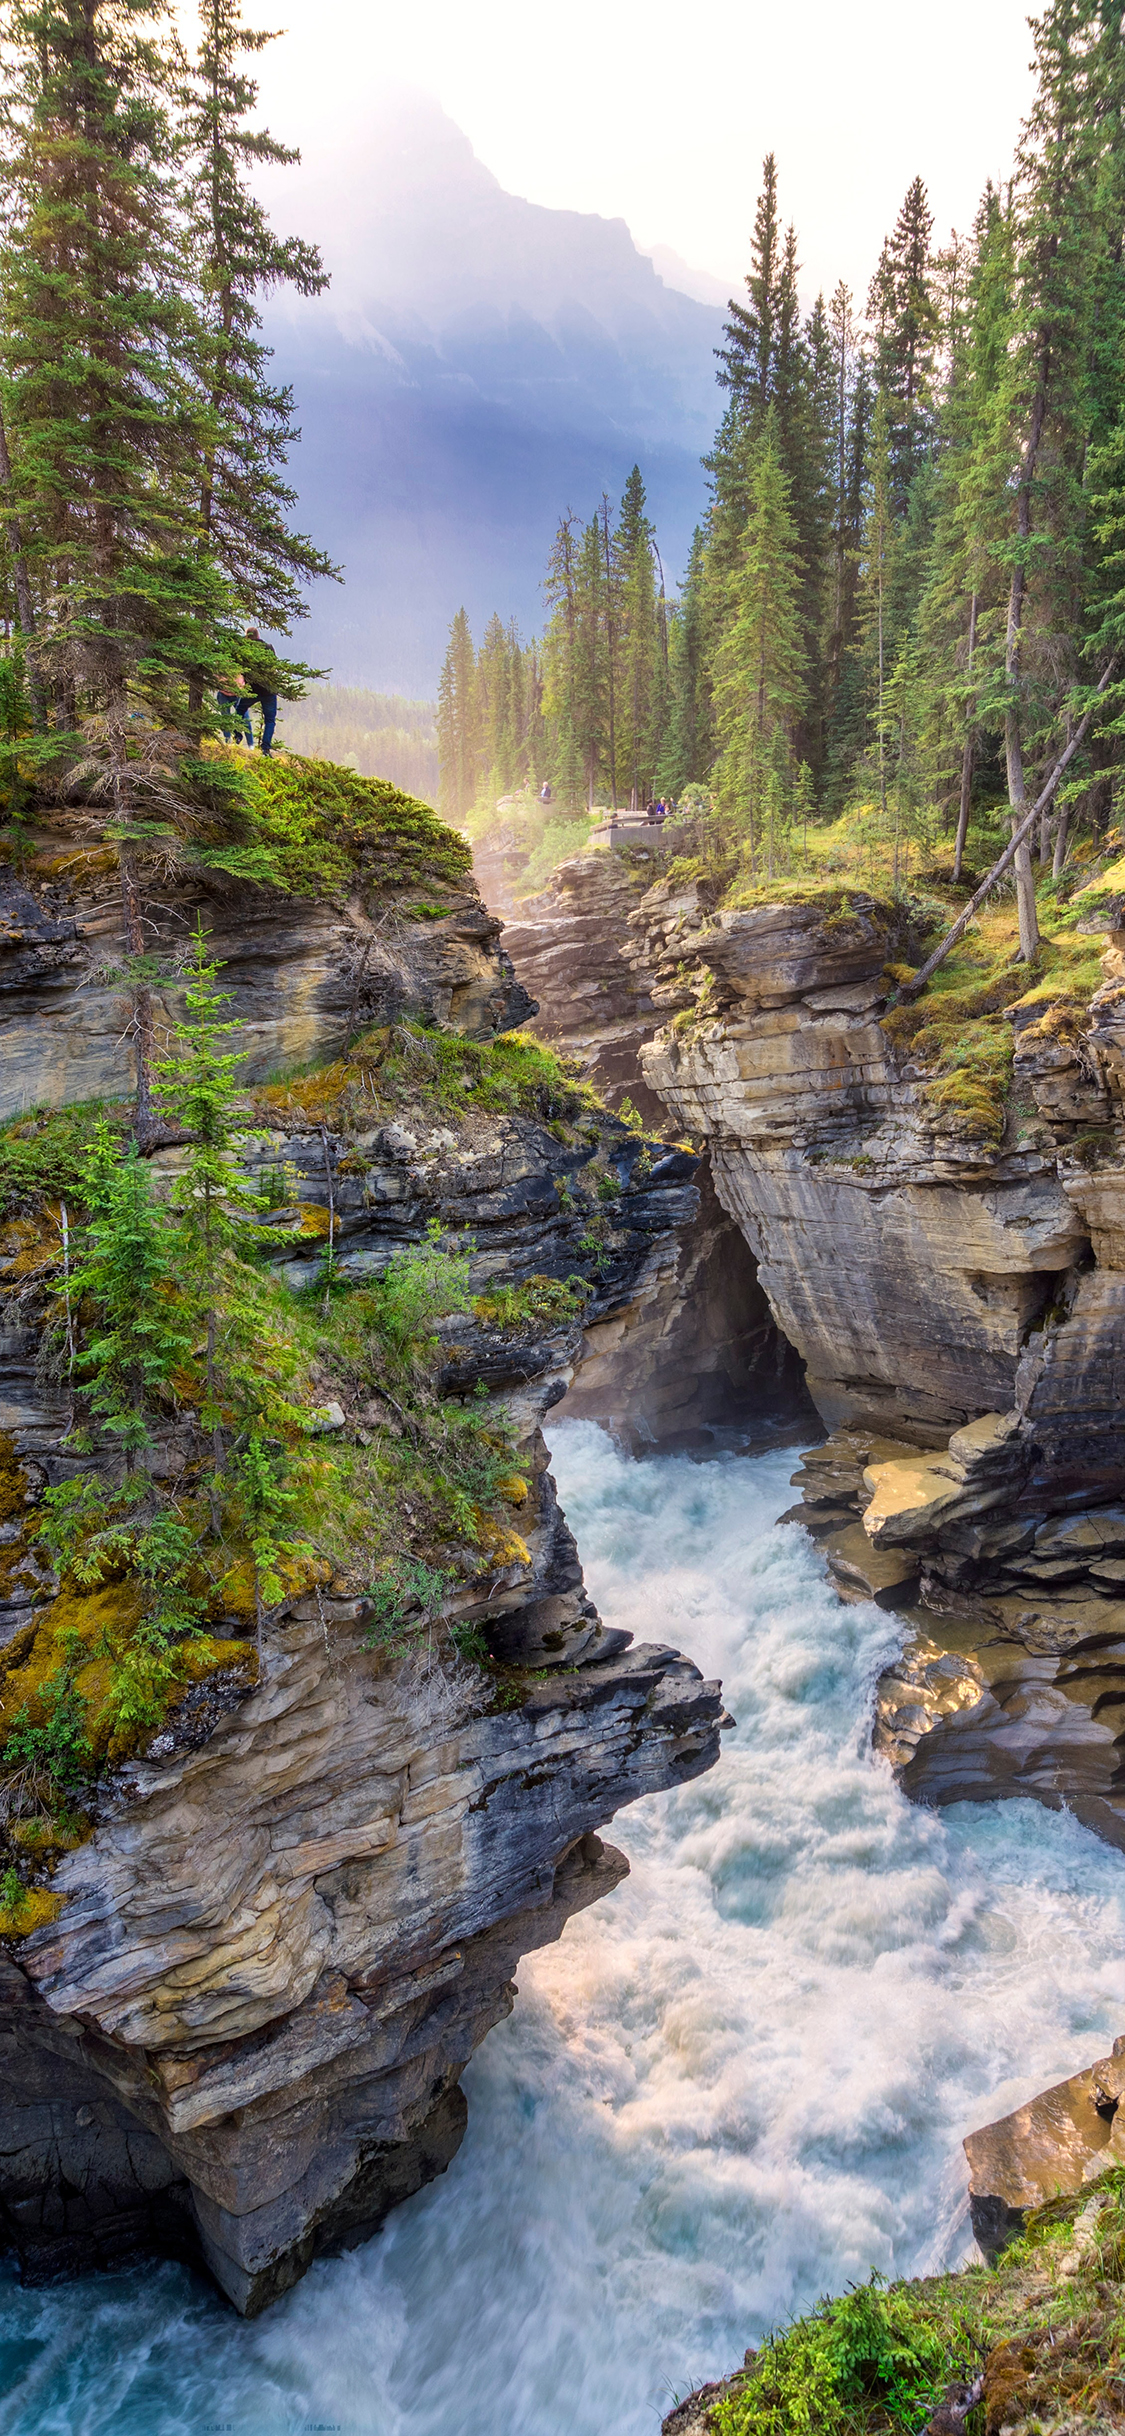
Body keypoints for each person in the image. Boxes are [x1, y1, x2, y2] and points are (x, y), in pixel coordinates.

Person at [242, 629, 279, 754]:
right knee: (270, 720)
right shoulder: (268, 648)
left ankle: (236, 734)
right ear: (258, 636)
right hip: (269, 689)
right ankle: (265, 749)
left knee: (239, 710)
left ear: (247, 637)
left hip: (253, 690)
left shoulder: (245, 650)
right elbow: (274, 666)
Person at [216, 671, 253, 746]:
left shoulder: (239, 659)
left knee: (245, 718)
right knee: (225, 718)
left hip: (238, 692)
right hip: (223, 693)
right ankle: (228, 742)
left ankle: (251, 744)